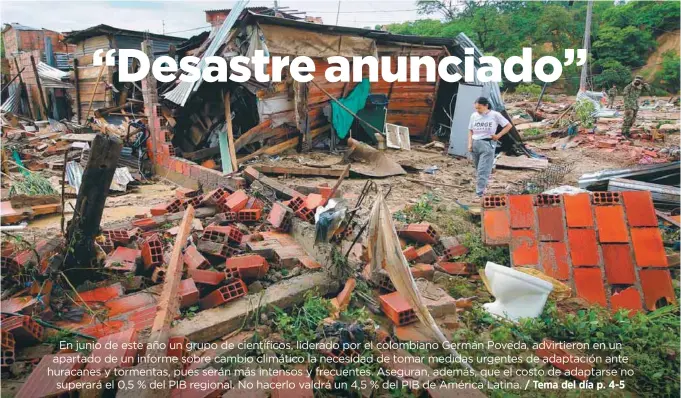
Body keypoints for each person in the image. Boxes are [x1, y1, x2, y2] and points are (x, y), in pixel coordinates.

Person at [467, 97, 512, 197]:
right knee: (478, 169)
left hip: (487, 144)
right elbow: (470, 130)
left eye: (479, 108)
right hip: (475, 143)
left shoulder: (495, 115)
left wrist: (498, 135)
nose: (477, 110)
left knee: (483, 170)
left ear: (486, 106)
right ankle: (483, 188)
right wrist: (469, 144)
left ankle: (479, 194)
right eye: (476, 108)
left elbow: (508, 126)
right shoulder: (474, 115)